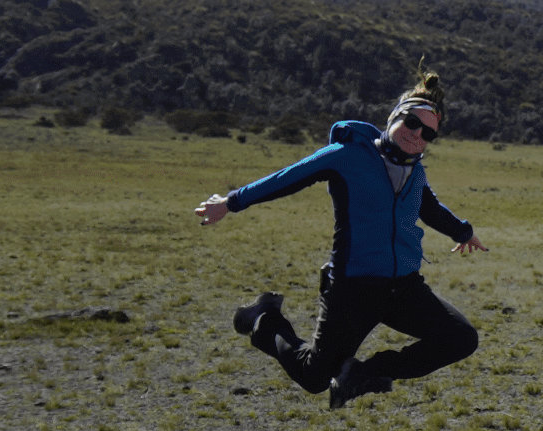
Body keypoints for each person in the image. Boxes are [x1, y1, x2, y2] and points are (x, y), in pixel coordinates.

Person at [196, 72, 486, 408]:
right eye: (411, 122)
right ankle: (264, 321)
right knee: (314, 377)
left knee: (461, 338)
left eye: (428, 133)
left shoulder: (414, 172)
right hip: (353, 290)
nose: (417, 134)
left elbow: (431, 209)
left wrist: (463, 232)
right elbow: (287, 178)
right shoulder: (346, 156)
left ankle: (365, 373)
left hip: (404, 288)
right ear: (394, 117)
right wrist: (231, 202)